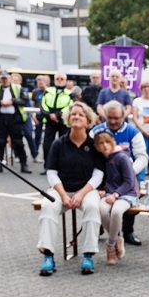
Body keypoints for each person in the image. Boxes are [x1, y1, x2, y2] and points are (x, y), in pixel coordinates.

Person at [38, 102, 104, 275]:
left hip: (86, 190)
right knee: (48, 206)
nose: (76, 117)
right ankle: (48, 256)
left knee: (92, 207)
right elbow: (51, 173)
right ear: (68, 119)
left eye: (80, 115)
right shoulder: (58, 144)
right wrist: (64, 196)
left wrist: (82, 194)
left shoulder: (94, 144)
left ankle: (88, 255)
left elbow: (98, 174)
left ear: (88, 121)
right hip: (61, 190)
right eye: (73, 114)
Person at [94, 131, 144, 264]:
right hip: (110, 193)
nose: (104, 146)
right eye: (100, 143)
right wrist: (102, 190)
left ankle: (110, 245)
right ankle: (117, 238)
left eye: (107, 142)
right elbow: (105, 179)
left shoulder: (122, 157)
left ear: (112, 143)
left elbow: (129, 181)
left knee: (116, 211)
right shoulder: (102, 160)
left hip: (127, 193)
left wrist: (116, 194)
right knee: (102, 210)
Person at [0, 71, 30, 174]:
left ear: (9, 79)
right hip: (1, 119)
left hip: (14, 119)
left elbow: (24, 100)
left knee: (18, 142)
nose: (4, 80)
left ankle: (24, 164)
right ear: (0, 79)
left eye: (6, 78)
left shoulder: (17, 88)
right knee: (0, 142)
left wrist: (13, 101)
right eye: (2, 79)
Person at [41, 72, 73, 161]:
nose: (59, 81)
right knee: (47, 144)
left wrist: (57, 115)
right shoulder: (48, 91)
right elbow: (43, 104)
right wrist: (49, 115)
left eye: (61, 79)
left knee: (64, 144)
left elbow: (69, 106)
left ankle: (62, 165)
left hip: (62, 121)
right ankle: (47, 165)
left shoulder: (69, 93)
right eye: (57, 79)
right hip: (49, 121)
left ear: (65, 81)